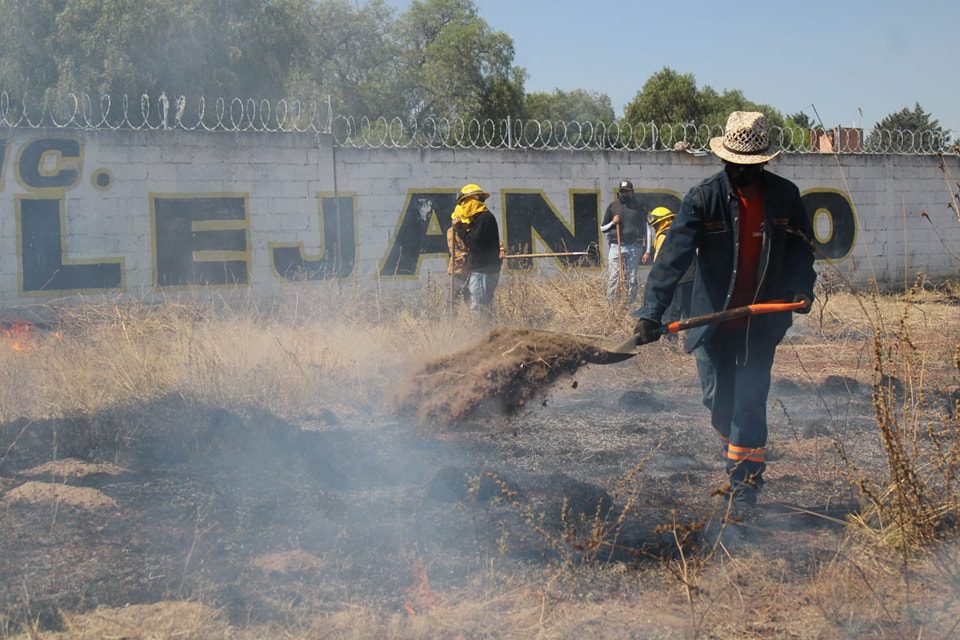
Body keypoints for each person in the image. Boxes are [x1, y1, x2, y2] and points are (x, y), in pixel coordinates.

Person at [632, 111, 817, 506]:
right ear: (724, 158)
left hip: (761, 322)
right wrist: (651, 312)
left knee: (749, 402)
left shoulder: (785, 197)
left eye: (748, 166)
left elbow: (802, 250)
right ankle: (736, 453)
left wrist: (801, 286)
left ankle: (744, 489)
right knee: (719, 403)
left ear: (764, 161)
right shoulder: (703, 198)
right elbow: (672, 260)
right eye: (733, 165)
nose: (739, 172)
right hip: (712, 322)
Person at [451, 183, 505, 313]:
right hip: (482, 270)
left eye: (465, 202)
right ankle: (491, 331)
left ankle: (483, 331)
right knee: (483, 307)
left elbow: (473, 243)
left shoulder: (484, 219)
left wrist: (459, 228)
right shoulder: (482, 220)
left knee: (478, 309)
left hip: (483, 271)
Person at [600, 180, 649, 304]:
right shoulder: (613, 206)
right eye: (622, 191)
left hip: (634, 247)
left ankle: (629, 306)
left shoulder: (639, 207)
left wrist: (647, 251)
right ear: (619, 192)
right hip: (616, 246)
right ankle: (611, 307)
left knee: (631, 279)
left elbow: (647, 229)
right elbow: (602, 228)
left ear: (632, 192)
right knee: (614, 278)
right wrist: (612, 222)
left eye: (627, 191)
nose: (624, 194)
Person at [647, 206, 693, 325]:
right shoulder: (681, 232)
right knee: (691, 315)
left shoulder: (663, 237)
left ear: (662, 222)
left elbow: (661, 262)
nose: (654, 228)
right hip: (691, 278)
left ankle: (670, 342)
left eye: (655, 225)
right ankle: (692, 341)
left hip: (677, 280)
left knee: (671, 315)